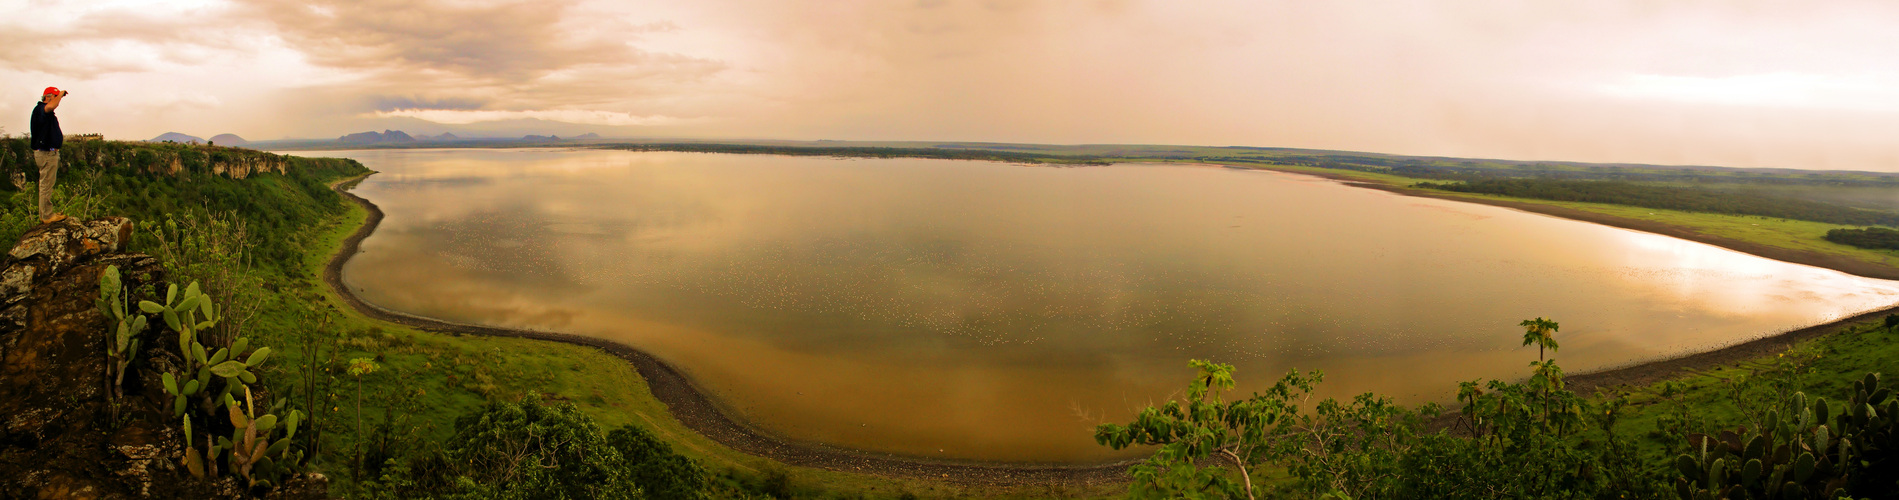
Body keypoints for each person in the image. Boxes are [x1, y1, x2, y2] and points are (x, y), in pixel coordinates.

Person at [30, 87, 67, 223]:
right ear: (48, 97)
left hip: (48, 153)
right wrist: (61, 94)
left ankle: (46, 213)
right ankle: (47, 216)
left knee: (46, 184)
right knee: (46, 185)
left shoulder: (45, 113)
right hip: (46, 154)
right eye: (55, 96)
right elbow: (52, 105)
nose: (58, 100)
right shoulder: (41, 109)